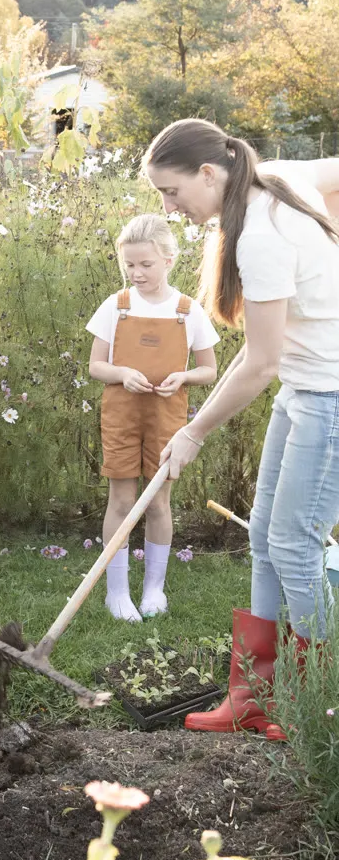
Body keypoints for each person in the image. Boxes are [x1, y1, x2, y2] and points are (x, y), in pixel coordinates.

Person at [144, 119, 339, 737]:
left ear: (208, 173)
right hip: (305, 389)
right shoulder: (278, 178)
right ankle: (253, 696)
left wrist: (194, 432)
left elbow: (260, 363)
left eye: (172, 192)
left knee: (297, 549)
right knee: (263, 535)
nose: (169, 208)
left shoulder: (260, 235)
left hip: (329, 398)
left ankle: (313, 708)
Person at [88, 213, 218, 621]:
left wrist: (183, 376)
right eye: (129, 264)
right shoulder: (117, 306)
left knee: (159, 502)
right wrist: (123, 373)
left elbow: (209, 370)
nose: (136, 273)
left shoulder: (187, 310)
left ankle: (154, 590)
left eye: (145, 264)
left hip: (167, 415)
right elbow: (95, 366)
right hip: (122, 414)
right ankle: (117, 593)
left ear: (168, 260)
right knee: (123, 499)